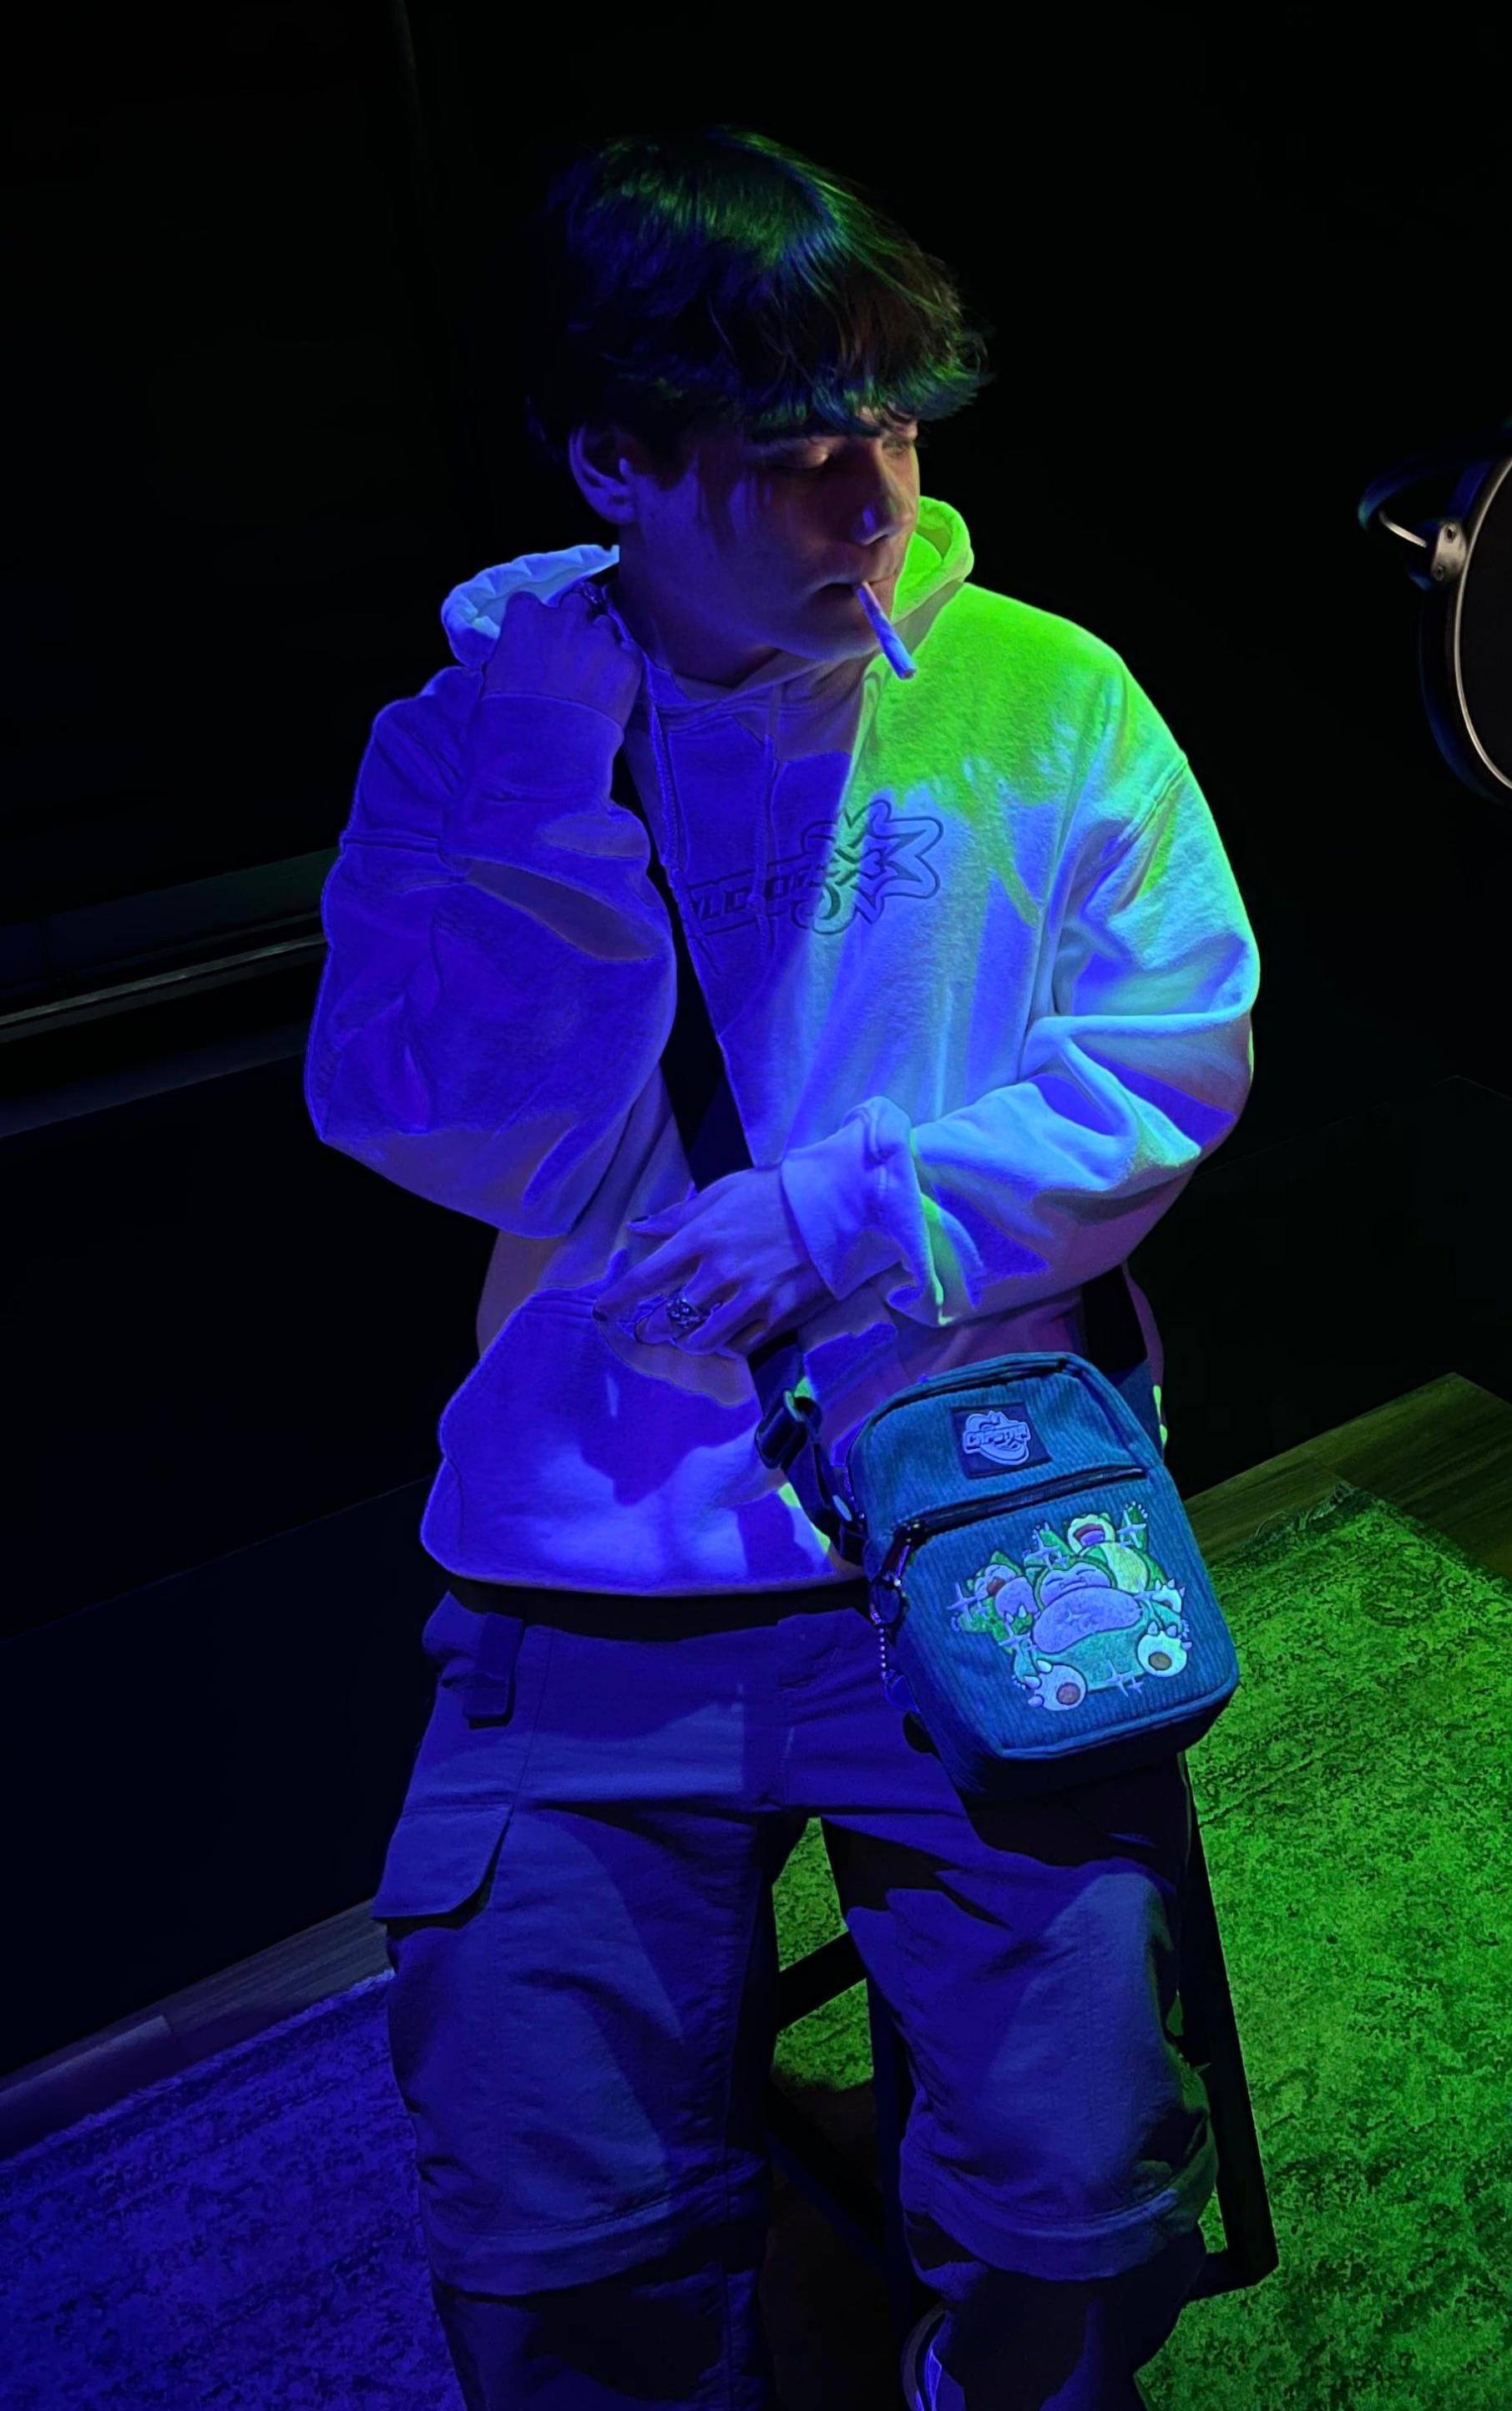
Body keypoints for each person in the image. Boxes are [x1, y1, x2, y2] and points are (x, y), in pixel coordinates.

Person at [304, 125, 1261, 2410]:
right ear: (614, 464)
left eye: (896, 433)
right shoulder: (472, 748)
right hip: (588, 1559)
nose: (877, 506)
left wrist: (841, 1210)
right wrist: (552, 776)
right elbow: (451, 1117)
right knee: (550, 2248)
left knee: (1089, 2206)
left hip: (972, 1507)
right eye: (801, 456)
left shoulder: (1043, 693)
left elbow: (1178, 1048)